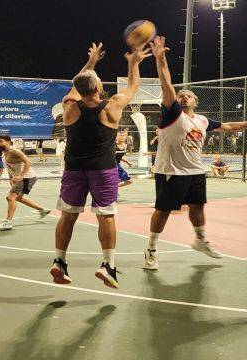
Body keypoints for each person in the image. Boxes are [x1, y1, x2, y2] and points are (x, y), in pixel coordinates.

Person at [144, 36, 247, 270]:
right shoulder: (172, 114)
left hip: (195, 170)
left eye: (188, 95)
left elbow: (230, 126)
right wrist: (160, 57)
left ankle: (200, 240)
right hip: (171, 171)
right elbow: (166, 84)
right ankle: (151, 249)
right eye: (181, 95)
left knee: (197, 207)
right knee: (163, 210)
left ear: (195, 101)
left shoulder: (203, 120)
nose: (184, 96)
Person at [50, 42, 150, 289]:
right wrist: (133, 62)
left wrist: (92, 61)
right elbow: (133, 86)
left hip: (74, 169)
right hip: (103, 169)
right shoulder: (113, 105)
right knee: (106, 217)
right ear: (98, 87)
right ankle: (108, 266)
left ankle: (60, 261)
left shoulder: (69, 106)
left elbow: (77, 83)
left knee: (68, 215)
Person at [0, 134, 50, 230]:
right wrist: (11, 177)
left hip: (27, 178)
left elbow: (28, 162)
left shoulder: (14, 151)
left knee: (10, 198)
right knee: (18, 198)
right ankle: (42, 210)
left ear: (8, 142)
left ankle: (7, 223)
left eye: (0, 141)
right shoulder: (4, 152)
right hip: (22, 178)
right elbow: (9, 166)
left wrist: (21, 175)